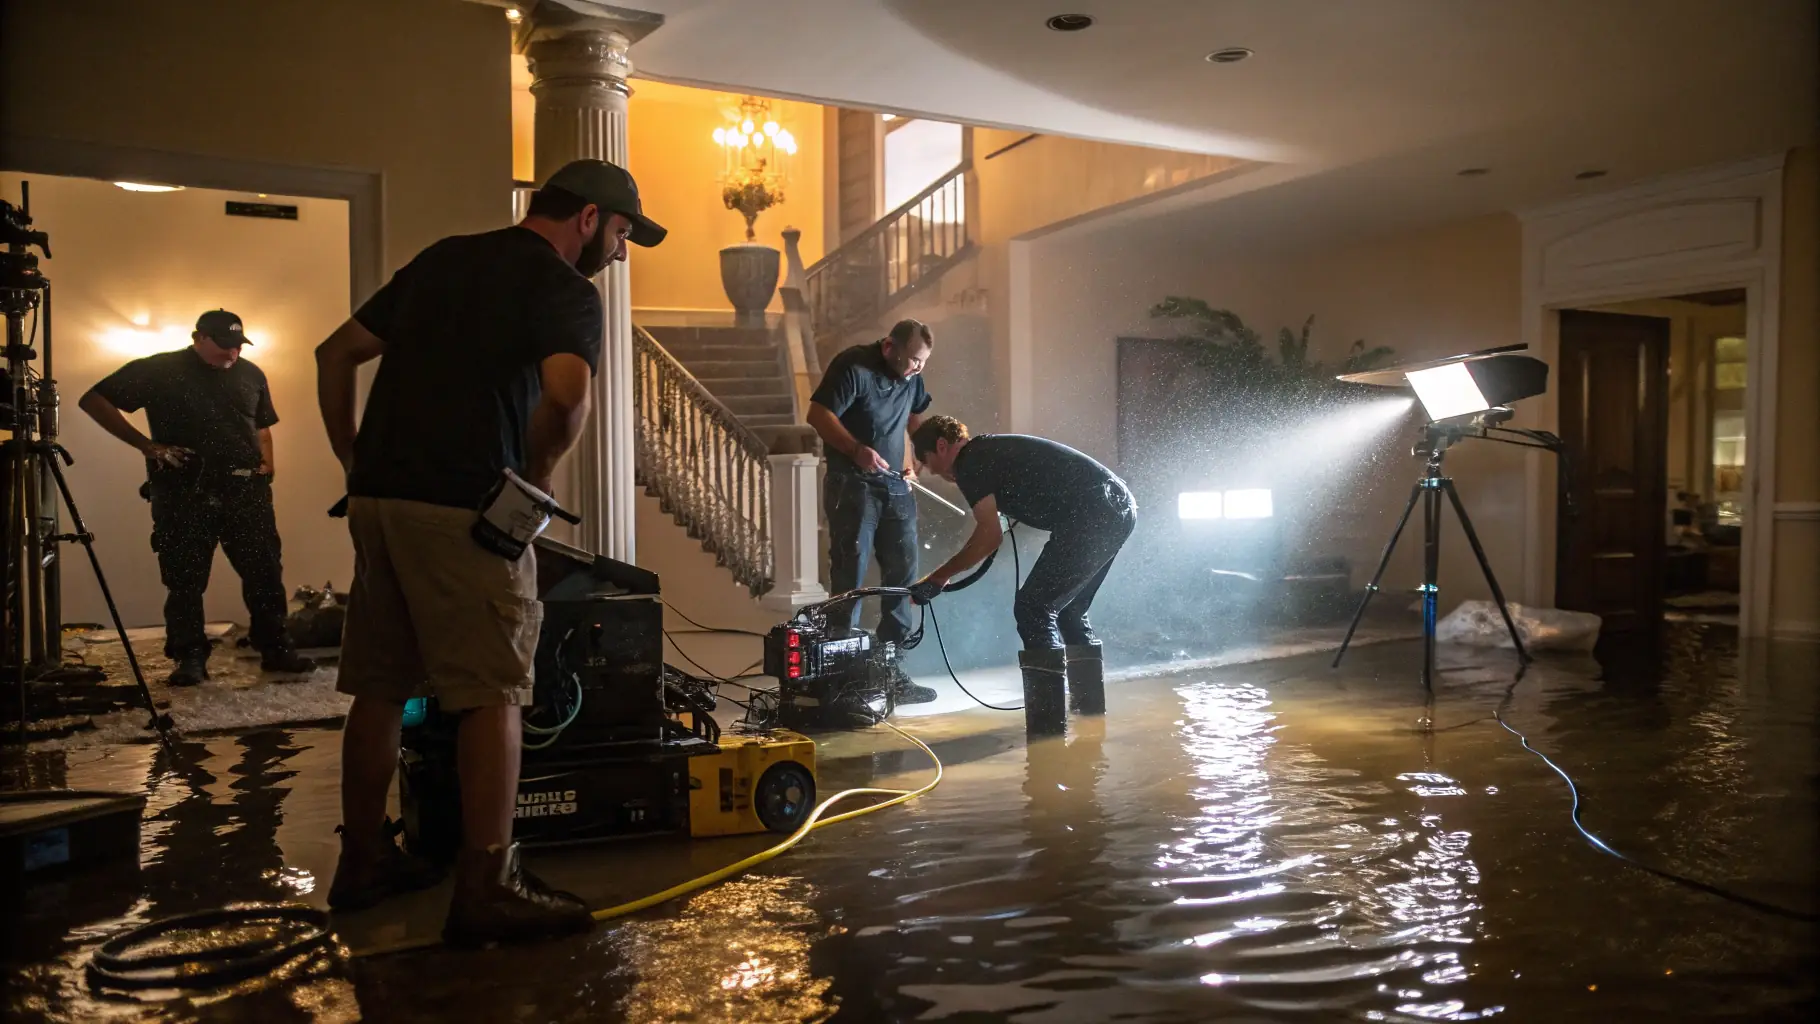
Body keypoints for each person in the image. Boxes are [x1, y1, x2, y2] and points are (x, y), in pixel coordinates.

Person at [315, 158, 665, 946]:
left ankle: (363, 861)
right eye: (620, 233)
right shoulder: (564, 288)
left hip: (378, 500)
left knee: (380, 684)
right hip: (464, 509)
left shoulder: (444, 259)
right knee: (493, 691)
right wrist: (532, 479)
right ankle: (487, 887)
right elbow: (568, 396)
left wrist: (352, 458)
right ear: (587, 218)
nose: (620, 252)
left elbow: (333, 354)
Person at [80, 310, 316, 687]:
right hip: (184, 491)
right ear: (199, 338)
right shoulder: (160, 369)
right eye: (223, 345)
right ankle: (189, 656)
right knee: (185, 580)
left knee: (265, 573)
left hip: (245, 491)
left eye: (237, 345)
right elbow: (94, 399)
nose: (232, 353)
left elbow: (261, 427)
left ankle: (276, 649)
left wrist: (268, 464)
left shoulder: (251, 373)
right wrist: (147, 446)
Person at [908, 416, 1137, 731]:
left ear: (942, 446)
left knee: (1034, 609)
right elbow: (994, 528)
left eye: (928, 461)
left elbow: (989, 536)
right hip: (1120, 507)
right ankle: (1090, 717)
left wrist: (938, 577)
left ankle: (1048, 730)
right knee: (1070, 612)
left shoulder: (970, 462)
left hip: (1090, 514)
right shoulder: (989, 453)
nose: (932, 472)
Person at [805, 318, 939, 705]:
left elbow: (914, 417)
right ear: (889, 347)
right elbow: (818, 415)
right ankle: (842, 675)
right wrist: (855, 450)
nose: (918, 368)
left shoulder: (912, 376)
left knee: (903, 574)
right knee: (851, 570)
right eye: (914, 359)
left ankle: (891, 670)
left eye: (924, 362)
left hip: (896, 485)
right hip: (852, 484)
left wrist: (915, 458)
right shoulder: (853, 366)